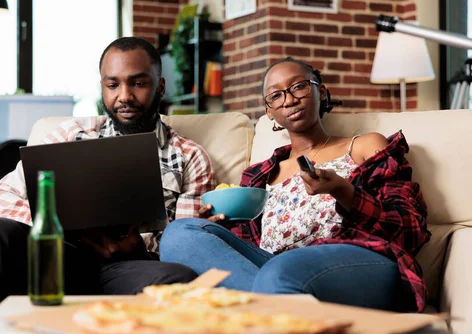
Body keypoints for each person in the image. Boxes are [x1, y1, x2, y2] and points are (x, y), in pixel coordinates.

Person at [0, 37, 217, 334]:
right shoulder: (69, 135)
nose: (125, 96)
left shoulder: (188, 156)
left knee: (179, 277)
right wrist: (55, 226)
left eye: (138, 84)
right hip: (61, 260)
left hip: (128, 268)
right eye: (113, 85)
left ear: (160, 86)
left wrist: (141, 249)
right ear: (102, 87)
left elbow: (184, 242)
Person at [160, 57, 431, 313]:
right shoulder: (258, 176)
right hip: (274, 267)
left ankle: (264, 310)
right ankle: (283, 310)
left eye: (298, 87)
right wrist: (220, 226)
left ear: (320, 92)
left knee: (281, 271)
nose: (289, 100)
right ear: (269, 112)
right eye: (276, 95)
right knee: (180, 234)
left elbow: (410, 229)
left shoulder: (364, 146)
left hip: (358, 261)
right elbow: (246, 249)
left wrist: (343, 191)